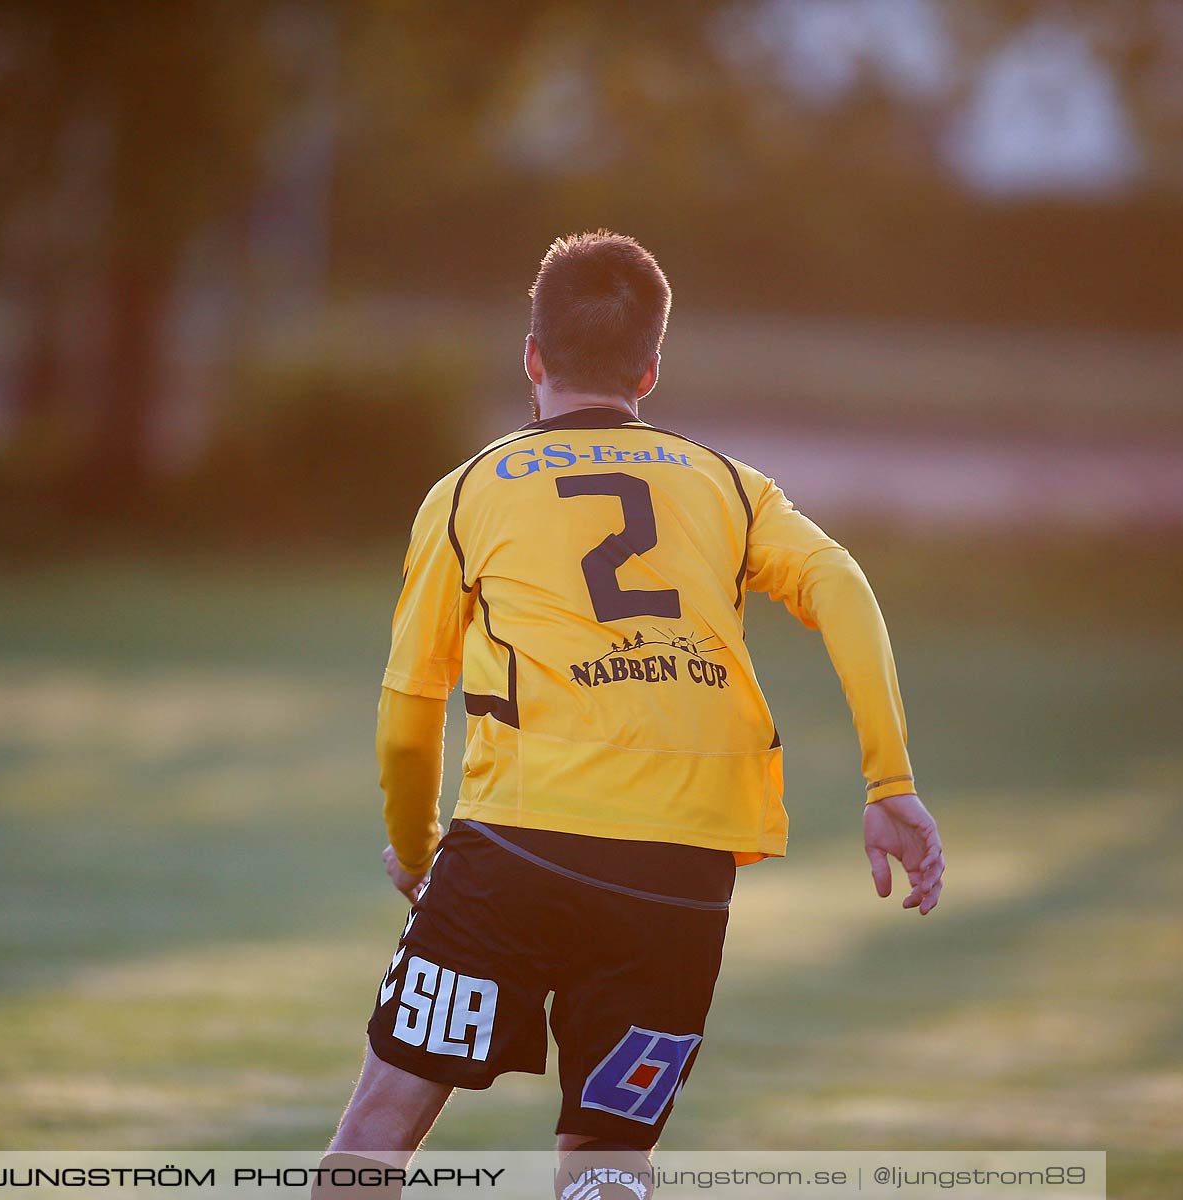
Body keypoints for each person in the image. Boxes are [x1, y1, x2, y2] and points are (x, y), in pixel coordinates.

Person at [314, 231, 944, 1200]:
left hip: (515, 851)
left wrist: (416, 842)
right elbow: (841, 583)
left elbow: (410, 709)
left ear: (532, 357)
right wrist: (889, 780)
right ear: (651, 368)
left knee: (378, 1132)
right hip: (680, 873)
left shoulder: (470, 491)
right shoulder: (731, 485)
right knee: (609, 1165)